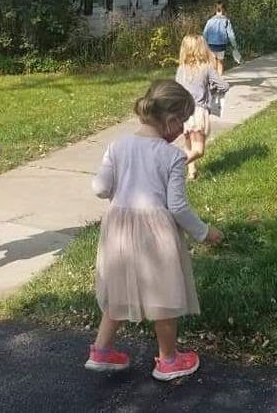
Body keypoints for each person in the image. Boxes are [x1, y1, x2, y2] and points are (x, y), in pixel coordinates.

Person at [85, 80, 224, 381]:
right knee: (164, 297)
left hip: (119, 232)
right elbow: (177, 207)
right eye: (183, 123)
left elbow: (100, 188)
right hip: (155, 234)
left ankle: (102, 351)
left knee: (118, 292)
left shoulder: (118, 144)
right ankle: (168, 359)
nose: (182, 131)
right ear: (172, 120)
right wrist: (203, 232)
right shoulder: (171, 156)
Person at [176, 34, 230, 180]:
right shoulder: (207, 68)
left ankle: (191, 172)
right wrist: (215, 89)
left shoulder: (181, 69)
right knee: (199, 150)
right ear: (202, 49)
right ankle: (174, 168)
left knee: (188, 142)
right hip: (198, 112)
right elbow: (223, 86)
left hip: (183, 112)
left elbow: (178, 89)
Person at [203, 2, 239, 75]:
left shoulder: (210, 21)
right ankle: (220, 80)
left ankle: (213, 81)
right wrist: (234, 45)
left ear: (215, 10)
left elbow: (205, 33)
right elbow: (231, 34)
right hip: (221, 45)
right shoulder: (226, 20)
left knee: (213, 62)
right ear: (224, 10)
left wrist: (203, 44)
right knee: (220, 62)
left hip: (211, 45)